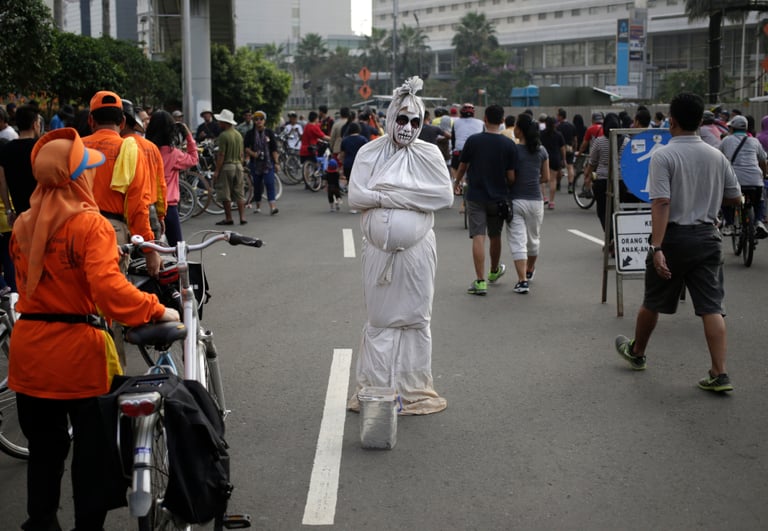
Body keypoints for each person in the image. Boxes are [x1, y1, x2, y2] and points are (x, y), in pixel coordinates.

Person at [8, 127, 180, 531]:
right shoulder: (91, 225)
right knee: (91, 454)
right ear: (75, 176)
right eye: (86, 169)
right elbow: (111, 293)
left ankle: (41, 522)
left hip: (28, 351)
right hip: (78, 356)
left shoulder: (23, 224)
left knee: (45, 450)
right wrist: (157, 309)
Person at [615, 92, 742, 393]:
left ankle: (637, 353)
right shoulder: (717, 155)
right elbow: (736, 197)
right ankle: (720, 373)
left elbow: (661, 202)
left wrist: (657, 248)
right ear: (700, 121)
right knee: (712, 307)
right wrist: (709, 200)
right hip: (708, 237)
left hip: (673, 238)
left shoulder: (664, 155)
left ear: (671, 121)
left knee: (653, 301)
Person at [347, 76, 453, 415]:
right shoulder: (369, 152)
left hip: (417, 253)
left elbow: (442, 196)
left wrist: (386, 194)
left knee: (416, 321)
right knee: (380, 322)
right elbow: (356, 196)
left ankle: (413, 391)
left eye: (415, 122)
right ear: (391, 117)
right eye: (402, 119)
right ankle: (376, 390)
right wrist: (398, 198)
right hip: (379, 255)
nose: (407, 127)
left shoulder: (429, 154)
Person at [82, 91, 159, 276]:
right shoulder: (130, 151)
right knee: (109, 291)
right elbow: (138, 206)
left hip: (76, 232)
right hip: (112, 235)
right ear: (123, 122)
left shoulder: (75, 148)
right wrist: (149, 249)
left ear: (91, 120)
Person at [453, 104, 517, 295]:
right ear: (502, 120)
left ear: (485, 120)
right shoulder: (508, 144)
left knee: (478, 236)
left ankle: (480, 282)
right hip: (499, 197)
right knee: (495, 235)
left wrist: (457, 182)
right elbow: (511, 176)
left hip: (475, 196)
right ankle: (494, 271)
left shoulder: (474, 141)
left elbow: (463, 166)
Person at [507, 113, 549, 294]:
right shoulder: (542, 151)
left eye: (516, 127)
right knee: (533, 240)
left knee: (518, 241)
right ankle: (530, 270)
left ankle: (522, 280)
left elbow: (510, 178)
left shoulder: (513, 151)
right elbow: (546, 177)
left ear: (520, 130)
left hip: (516, 200)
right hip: (536, 201)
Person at [146, 110, 198, 246]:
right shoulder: (173, 153)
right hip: (168, 205)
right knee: (177, 247)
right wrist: (188, 135)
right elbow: (193, 159)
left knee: (149, 247)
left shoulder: (145, 150)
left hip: (148, 204)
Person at [121, 100, 167, 241]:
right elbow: (160, 185)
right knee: (151, 251)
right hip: (149, 211)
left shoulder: (118, 146)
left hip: (120, 212)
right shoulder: (151, 147)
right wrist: (161, 215)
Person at [719, 115, 768, 238]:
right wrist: (763, 176)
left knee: (725, 199)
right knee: (760, 200)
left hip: (734, 180)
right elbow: (763, 161)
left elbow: (718, 158)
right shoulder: (754, 141)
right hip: (754, 180)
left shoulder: (726, 140)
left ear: (732, 128)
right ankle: (759, 222)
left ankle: (729, 224)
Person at [582, 113, 628, 234]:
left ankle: (610, 236)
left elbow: (592, 162)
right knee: (619, 210)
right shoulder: (627, 141)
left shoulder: (599, 141)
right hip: (621, 181)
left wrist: (587, 176)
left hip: (602, 181)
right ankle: (618, 236)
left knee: (603, 212)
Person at [0, 104, 41, 219]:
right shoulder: (40, 148)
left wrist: (9, 210)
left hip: (20, 214)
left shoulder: (6, 149)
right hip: (41, 212)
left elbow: (2, 182)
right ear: (34, 125)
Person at [212, 108, 246, 225]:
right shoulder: (238, 135)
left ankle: (229, 218)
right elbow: (241, 154)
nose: (218, 123)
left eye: (220, 121)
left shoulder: (223, 135)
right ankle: (242, 217)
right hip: (238, 166)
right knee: (239, 192)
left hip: (227, 166)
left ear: (225, 122)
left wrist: (217, 171)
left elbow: (221, 154)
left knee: (225, 193)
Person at [244, 110, 280, 215]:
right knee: (257, 185)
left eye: (261, 119)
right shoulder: (250, 134)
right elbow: (246, 147)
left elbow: (274, 149)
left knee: (269, 183)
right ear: (254, 121)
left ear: (264, 121)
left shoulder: (269, 133)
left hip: (268, 163)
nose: (259, 121)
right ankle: (258, 206)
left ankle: (273, 207)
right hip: (255, 164)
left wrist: (276, 163)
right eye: (256, 119)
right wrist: (253, 154)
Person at [540, 116, 565, 208]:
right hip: (555, 158)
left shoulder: (541, 134)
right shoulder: (558, 134)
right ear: (555, 124)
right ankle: (551, 202)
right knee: (553, 180)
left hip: (543, 157)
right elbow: (562, 148)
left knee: (542, 178)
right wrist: (564, 159)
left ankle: (544, 197)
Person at [555, 108, 577, 193]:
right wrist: (574, 148)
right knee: (570, 166)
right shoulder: (572, 126)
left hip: (560, 149)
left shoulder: (558, 127)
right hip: (570, 148)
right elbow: (575, 139)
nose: (557, 117)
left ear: (561, 116)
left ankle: (558, 184)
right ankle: (570, 185)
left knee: (559, 167)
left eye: (558, 115)